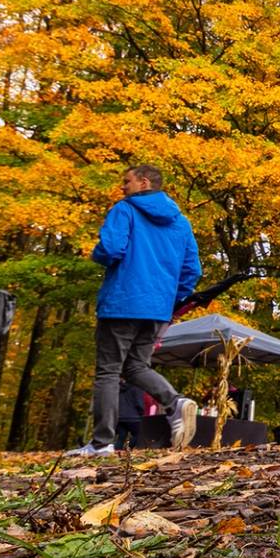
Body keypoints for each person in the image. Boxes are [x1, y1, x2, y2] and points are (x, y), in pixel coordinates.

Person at [76, 164, 201, 456]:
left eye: (127, 181)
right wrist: (171, 301)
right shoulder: (181, 223)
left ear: (144, 183)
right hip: (156, 310)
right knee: (136, 367)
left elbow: (111, 249)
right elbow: (192, 270)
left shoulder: (125, 210)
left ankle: (101, 442)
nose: (123, 187)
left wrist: (98, 255)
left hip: (122, 302)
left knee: (108, 371)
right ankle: (176, 403)